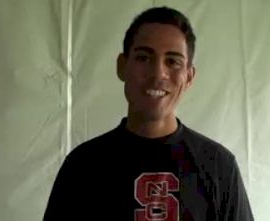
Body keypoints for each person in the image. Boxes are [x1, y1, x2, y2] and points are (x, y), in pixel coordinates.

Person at [43, 6, 254, 221]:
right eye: (144, 58)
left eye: (172, 61)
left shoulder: (218, 166)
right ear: (122, 66)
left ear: (189, 77)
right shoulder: (82, 166)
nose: (158, 74)